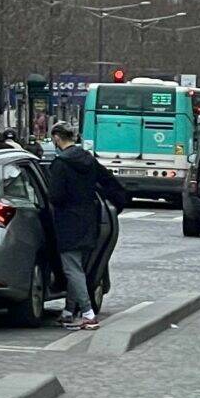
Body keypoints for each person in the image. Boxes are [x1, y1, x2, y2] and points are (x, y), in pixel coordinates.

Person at [47, 123, 128, 328]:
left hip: (68, 221)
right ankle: (68, 310)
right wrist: (117, 205)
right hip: (90, 220)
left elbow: (56, 196)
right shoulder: (88, 160)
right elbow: (110, 183)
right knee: (79, 267)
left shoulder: (60, 164)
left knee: (72, 268)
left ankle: (88, 313)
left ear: (57, 138)